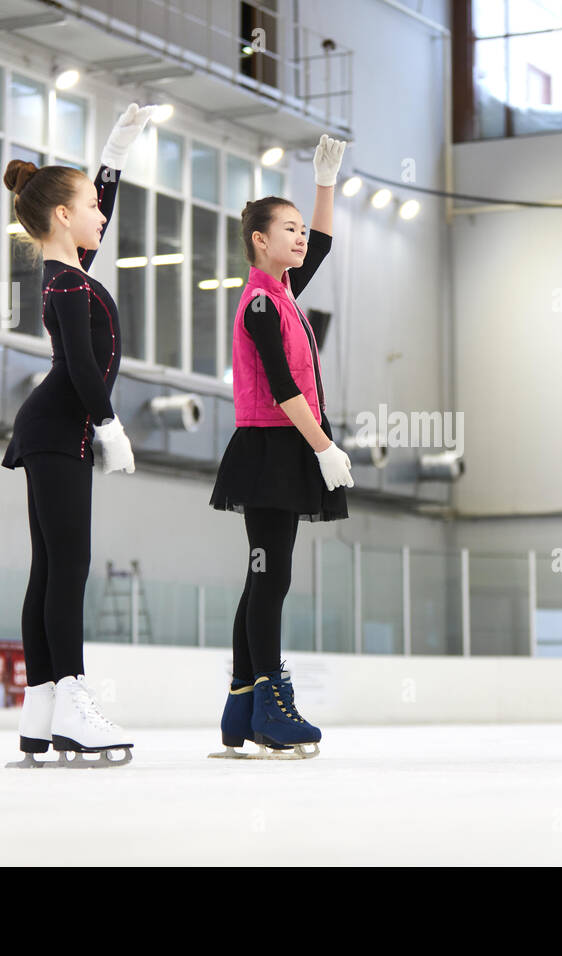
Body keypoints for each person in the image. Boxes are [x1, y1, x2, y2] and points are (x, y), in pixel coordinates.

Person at [0, 103, 155, 767]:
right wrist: (111, 425)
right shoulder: (65, 284)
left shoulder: (70, 270)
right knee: (70, 568)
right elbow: (82, 366)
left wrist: (113, 157)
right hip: (61, 428)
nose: (101, 215)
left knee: (51, 568)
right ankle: (73, 702)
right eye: (91, 206)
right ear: (63, 216)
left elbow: (95, 211)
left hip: (54, 430)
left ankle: (41, 707)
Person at [207, 134, 353, 759]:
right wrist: (323, 446)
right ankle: (270, 702)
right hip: (272, 450)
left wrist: (325, 185)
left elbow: (321, 245)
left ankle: (242, 705)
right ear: (259, 240)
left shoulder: (285, 294)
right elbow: (284, 384)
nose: (300, 237)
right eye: (287, 229)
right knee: (271, 576)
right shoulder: (262, 304)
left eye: (300, 229)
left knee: (263, 576)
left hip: (282, 449)